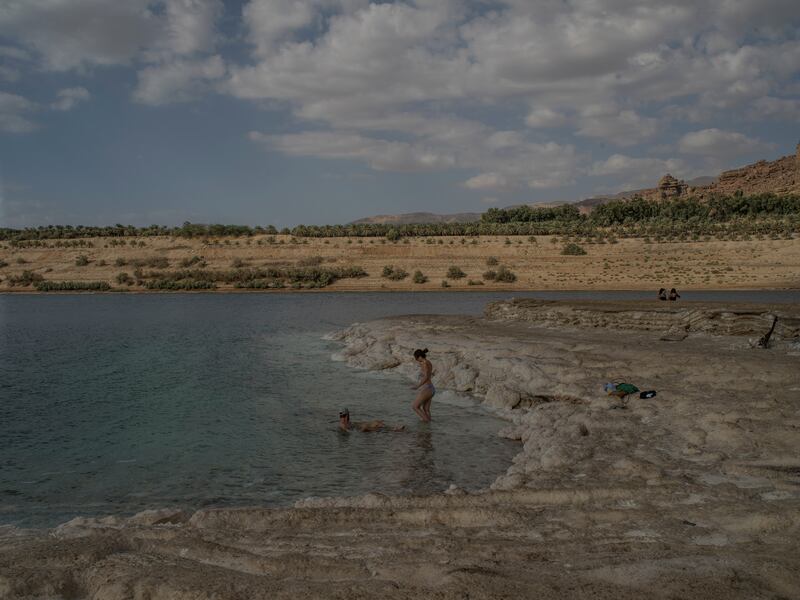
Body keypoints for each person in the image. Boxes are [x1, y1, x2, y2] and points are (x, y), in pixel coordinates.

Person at [411, 348, 434, 422]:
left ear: (419, 357)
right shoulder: (428, 362)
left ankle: (426, 423)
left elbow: (426, 377)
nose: (416, 360)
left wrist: (417, 386)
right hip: (431, 388)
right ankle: (429, 430)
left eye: (416, 358)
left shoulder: (424, 363)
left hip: (427, 388)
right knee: (426, 409)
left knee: (415, 406)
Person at [338, 409, 404, 433]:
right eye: (341, 416)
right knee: (366, 428)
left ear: (347, 416)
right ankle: (393, 430)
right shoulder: (342, 425)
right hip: (360, 430)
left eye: (344, 416)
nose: (343, 418)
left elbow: (358, 423)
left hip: (359, 427)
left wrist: (371, 422)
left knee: (376, 422)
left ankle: (394, 428)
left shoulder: (350, 423)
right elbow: (349, 432)